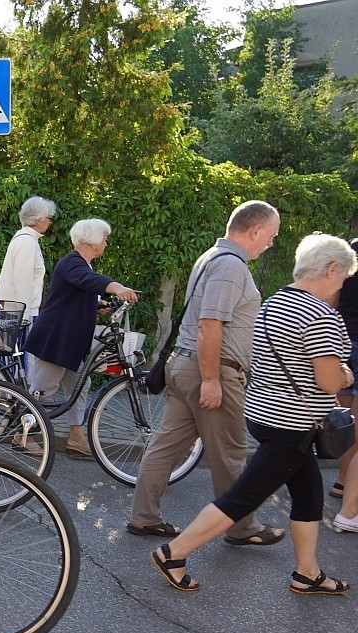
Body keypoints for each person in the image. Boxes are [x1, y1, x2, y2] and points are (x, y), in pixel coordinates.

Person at [151, 233, 355, 595]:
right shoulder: (323, 315)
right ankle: (174, 553)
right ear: (331, 269)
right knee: (241, 498)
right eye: (343, 277)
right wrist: (345, 373)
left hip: (264, 412)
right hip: (294, 422)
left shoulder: (276, 301)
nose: (342, 286)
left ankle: (307, 573)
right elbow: (328, 381)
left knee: (309, 494)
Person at [128, 201, 285, 544]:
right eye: (271, 236)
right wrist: (213, 380)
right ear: (255, 230)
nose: (271, 243)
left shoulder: (211, 257)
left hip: (185, 367)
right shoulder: (231, 267)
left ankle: (143, 518)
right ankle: (241, 527)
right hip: (209, 372)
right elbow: (209, 324)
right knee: (230, 454)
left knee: (166, 446)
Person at [24, 219, 138, 458]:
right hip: (55, 341)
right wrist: (117, 288)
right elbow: (90, 282)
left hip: (69, 344)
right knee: (42, 392)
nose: (106, 243)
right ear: (94, 242)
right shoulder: (73, 263)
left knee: (79, 385)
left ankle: (76, 437)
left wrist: (97, 304)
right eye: (105, 238)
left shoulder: (81, 265)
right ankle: (22, 435)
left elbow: (75, 294)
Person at [327, 239, 358, 530]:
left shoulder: (350, 249)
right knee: (356, 426)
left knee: (343, 419)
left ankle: (339, 483)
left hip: (343, 340)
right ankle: (346, 495)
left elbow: (333, 295)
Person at [0, 195, 57, 324]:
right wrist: (24, 316)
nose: (50, 222)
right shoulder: (27, 242)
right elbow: (23, 281)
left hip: (14, 312)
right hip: (17, 315)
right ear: (38, 219)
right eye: (49, 218)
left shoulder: (25, 238)